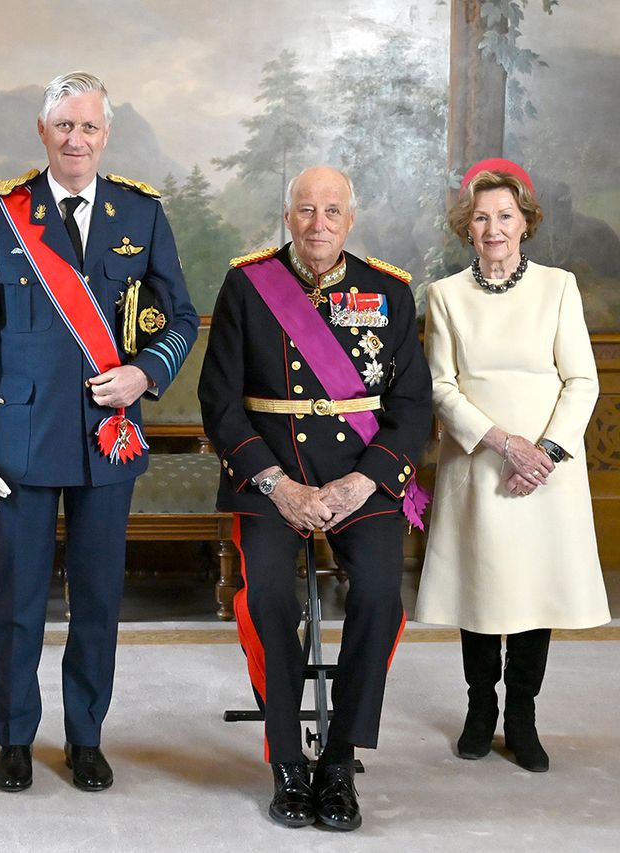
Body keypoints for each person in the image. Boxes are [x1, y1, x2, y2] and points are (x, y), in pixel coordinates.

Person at [0, 72, 198, 793]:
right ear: (42, 131)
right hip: (19, 437)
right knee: (17, 599)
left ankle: (85, 736)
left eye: (88, 127)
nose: (76, 140)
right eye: (63, 127)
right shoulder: (0, 214)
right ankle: (16, 738)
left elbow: (180, 318)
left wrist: (144, 374)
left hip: (106, 437)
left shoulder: (140, 214)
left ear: (105, 135)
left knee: (97, 599)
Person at [198, 166, 432, 830]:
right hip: (272, 480)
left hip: (362, 476)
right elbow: (220, 403)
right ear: (287, 216)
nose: (318, 223)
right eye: (305, 210)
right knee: (266, 595)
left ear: (350, 219)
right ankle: (286, 761)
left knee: (383, 596)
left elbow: (412, 406)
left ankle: (337, 757)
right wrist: (278, 484)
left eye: (332, 211)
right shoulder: (248, 285)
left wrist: (364, 481)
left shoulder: (387, 290)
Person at [415, 158, 609, 773]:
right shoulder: (445, 296)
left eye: (505, 216)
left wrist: (543, 453)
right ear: (465, 228)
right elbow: (441, 387)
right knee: (480, 589)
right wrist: (504, 444)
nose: (493, 228)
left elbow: (581, 380)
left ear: (525, 222)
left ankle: (521, 716)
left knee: (530, 593)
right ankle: (479, 710)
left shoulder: (559, 287)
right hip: (479, 463)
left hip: (546, 473)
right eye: (481, 218)